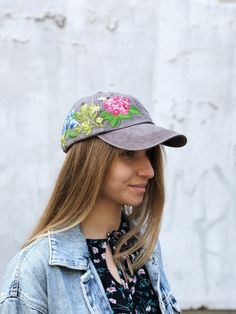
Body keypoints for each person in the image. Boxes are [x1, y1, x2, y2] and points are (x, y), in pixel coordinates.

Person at [0, 91, 187, 314]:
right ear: (89, 162)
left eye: (148, 155)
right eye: (128, 154)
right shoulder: (35, 269)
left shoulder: (144, 248)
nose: (149, 171)